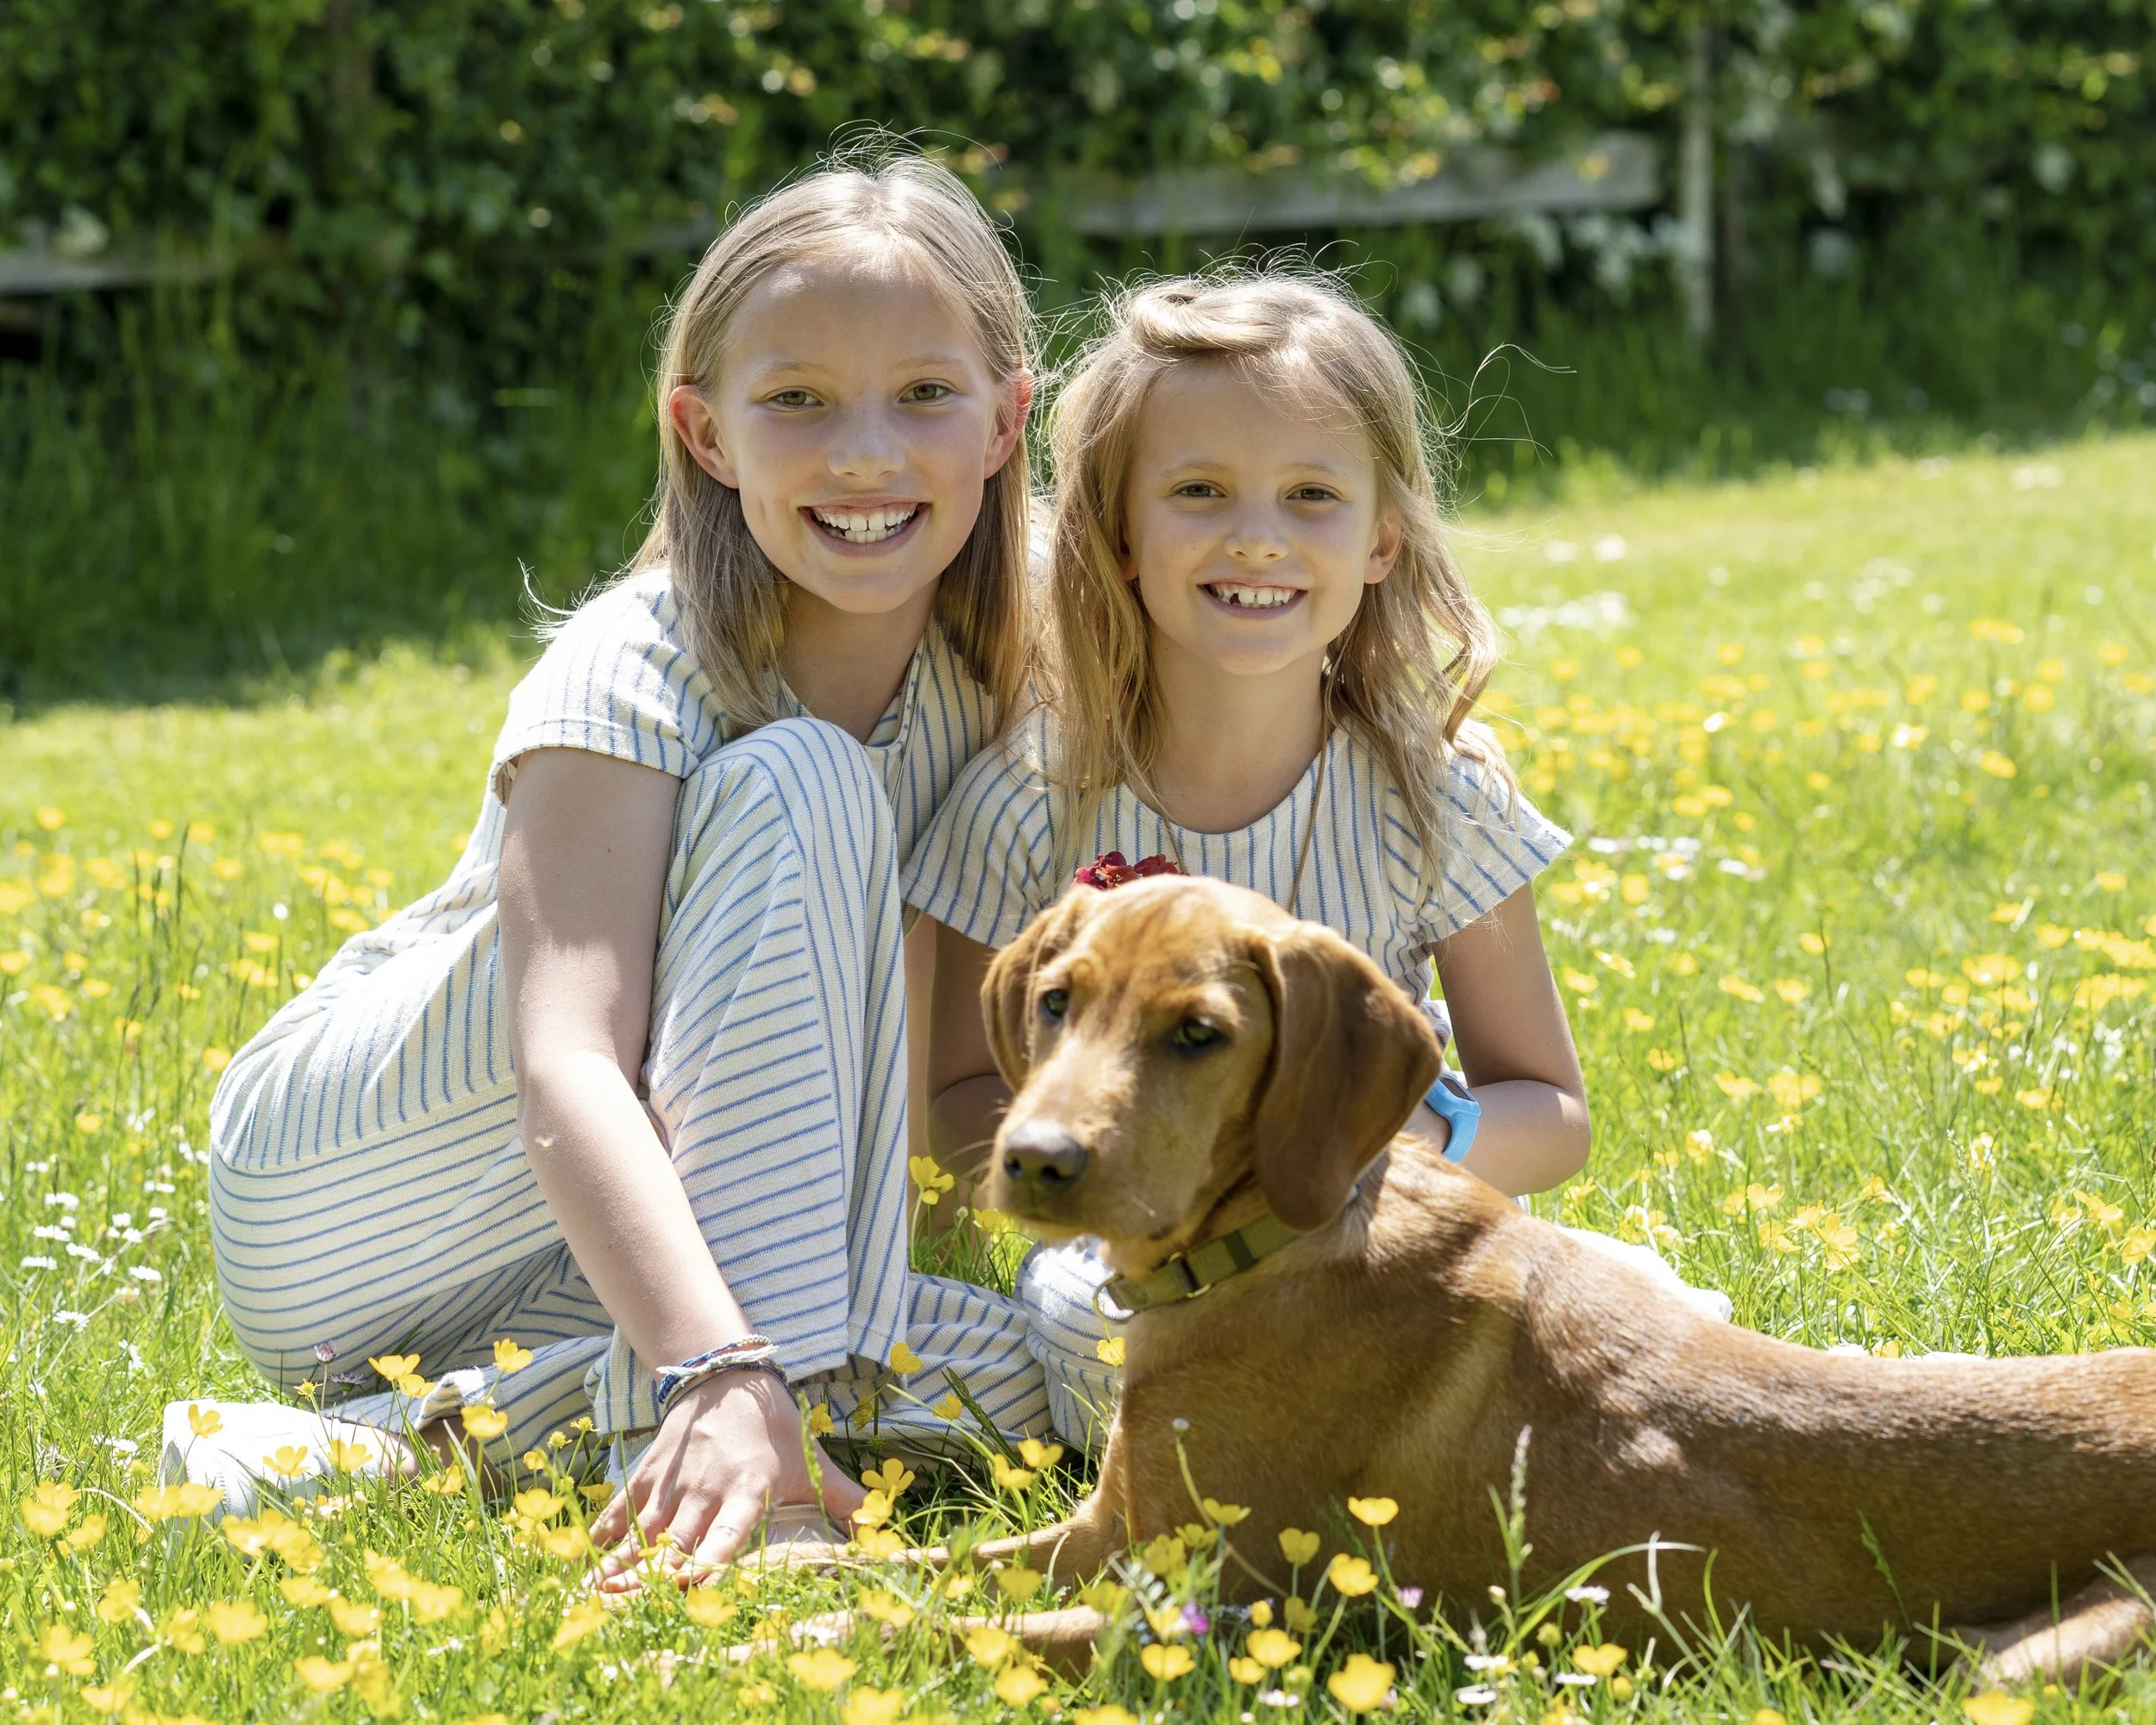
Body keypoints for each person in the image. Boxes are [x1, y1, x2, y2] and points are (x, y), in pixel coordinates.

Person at [170, 151, 1055, 1578]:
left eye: (926, 397)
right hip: (354, 1195)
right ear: (706, 435)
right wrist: (717, 1362)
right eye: (799, 402)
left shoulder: (996, 675)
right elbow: (566, 1060)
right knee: (802, 779)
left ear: (1010, 421)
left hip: (600, 1235)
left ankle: (348, 1459)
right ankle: (739, 1431)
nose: (867, 455)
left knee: (1048, 1373)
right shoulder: (643, 659)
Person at [904, 272, 1727, 1450]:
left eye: (1311, 495)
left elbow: (1549, 1108)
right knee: (1067, 1329)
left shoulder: (1433, 791)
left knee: (1645, 1306)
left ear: (1382, 537)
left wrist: (1387, 1136)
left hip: (1377, 1249)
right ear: (1118, 534)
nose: (1257, 537)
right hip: (1121, 1263)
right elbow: (959, 1098)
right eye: (1199, 491)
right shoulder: (1031, 799)